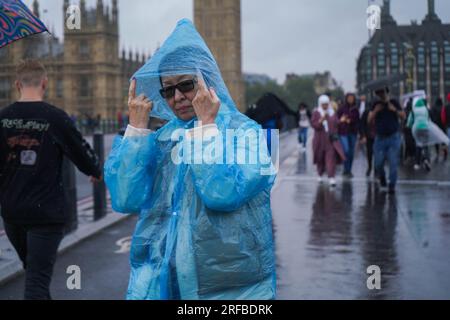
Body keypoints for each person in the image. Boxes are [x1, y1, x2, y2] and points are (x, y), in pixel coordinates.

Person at [104, 19, 276, 300]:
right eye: (168, 90)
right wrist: (136, 132)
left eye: (186, 85)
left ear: (208, 81)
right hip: (160, 284)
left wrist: (206, 128)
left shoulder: (250, 133)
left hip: (228, 291)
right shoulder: (161, 138)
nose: (178, 97)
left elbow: (222, 194)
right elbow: (125, 199)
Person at [0, 60, 102, 300]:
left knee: (34, 272)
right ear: (45, 83)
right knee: (37, 279)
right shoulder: (55, 118)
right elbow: (82, 151)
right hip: (46, 213)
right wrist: (95, 170)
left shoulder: (2, 118)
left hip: (13, 213)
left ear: (17, 85)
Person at [368, 86, 406, 194]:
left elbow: (403, 116)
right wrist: (375, 111)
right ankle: (382, 177)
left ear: (387, 92)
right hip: (380, 138)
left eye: (382, 92)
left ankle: (392, 185)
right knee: (378, 164)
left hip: (393, 137)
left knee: (393, 163)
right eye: (378, 93)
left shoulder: (394, 102)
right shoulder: (375, 104)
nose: (380, 95)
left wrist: (394, 110)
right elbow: (369, 120)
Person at [407, 97, 450, 171]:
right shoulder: (426, 109)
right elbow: (429, 119)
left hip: (416, 129)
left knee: (418, 145)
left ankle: (417, 163)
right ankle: (427, 159)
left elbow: (409, 122)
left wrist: (410, 126)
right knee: (425, 145)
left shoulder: (413, 110)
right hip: (425, 128)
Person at [311, 95, 346, 187]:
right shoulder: (316, 112)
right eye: (323, 104)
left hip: (330, 140)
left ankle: (331, 177)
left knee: (331, 159)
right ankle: (320, 174)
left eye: (326, 104)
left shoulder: (332, 113)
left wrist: (341, 121)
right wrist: (321, 119)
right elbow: (315, 125)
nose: (325, 106)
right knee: (320, 158)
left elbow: (335, 124)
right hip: (319, 139)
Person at [337, 93, 360, 178]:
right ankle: (345, 168)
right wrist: (343, 120)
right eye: (349, 98)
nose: (350, 99)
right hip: (343, 132)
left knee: (351, 152)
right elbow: (337, 118)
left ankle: (348, 170)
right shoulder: (342, 108)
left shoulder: (355, 109)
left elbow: (357, 120)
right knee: (345, 150)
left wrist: (350, 120)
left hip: (353, 132)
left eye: (352, 98)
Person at [359, 105, 376, 177]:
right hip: (369, 135)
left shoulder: (381, 112)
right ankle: (369, 167)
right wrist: (363, 135)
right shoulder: (366, 112)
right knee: (369, 152)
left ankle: (377, 168)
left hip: (379, 136)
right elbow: (362, 124)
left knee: (378, 153)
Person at [430, 97, 448, 161]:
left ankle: (437, 153)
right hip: (442, 126)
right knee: (443, 139)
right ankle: (445, 151)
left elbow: (430, 116)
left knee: (436, 140)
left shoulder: (433, 108)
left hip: (435, 126)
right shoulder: (443, 108)